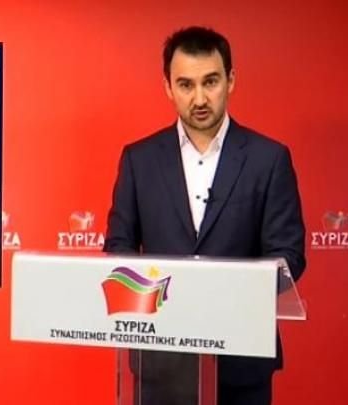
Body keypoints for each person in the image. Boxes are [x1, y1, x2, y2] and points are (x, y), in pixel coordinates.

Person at [104, 27, 306, 405]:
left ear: (231, 80)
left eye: (210, 82)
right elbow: (118, 249)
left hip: (242, 361)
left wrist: (222, 293)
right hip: (159, 362)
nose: (199, 98)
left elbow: (289, 256)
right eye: (185, 85)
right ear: (168, 87)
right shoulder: (138, 160)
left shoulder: (269, 159)